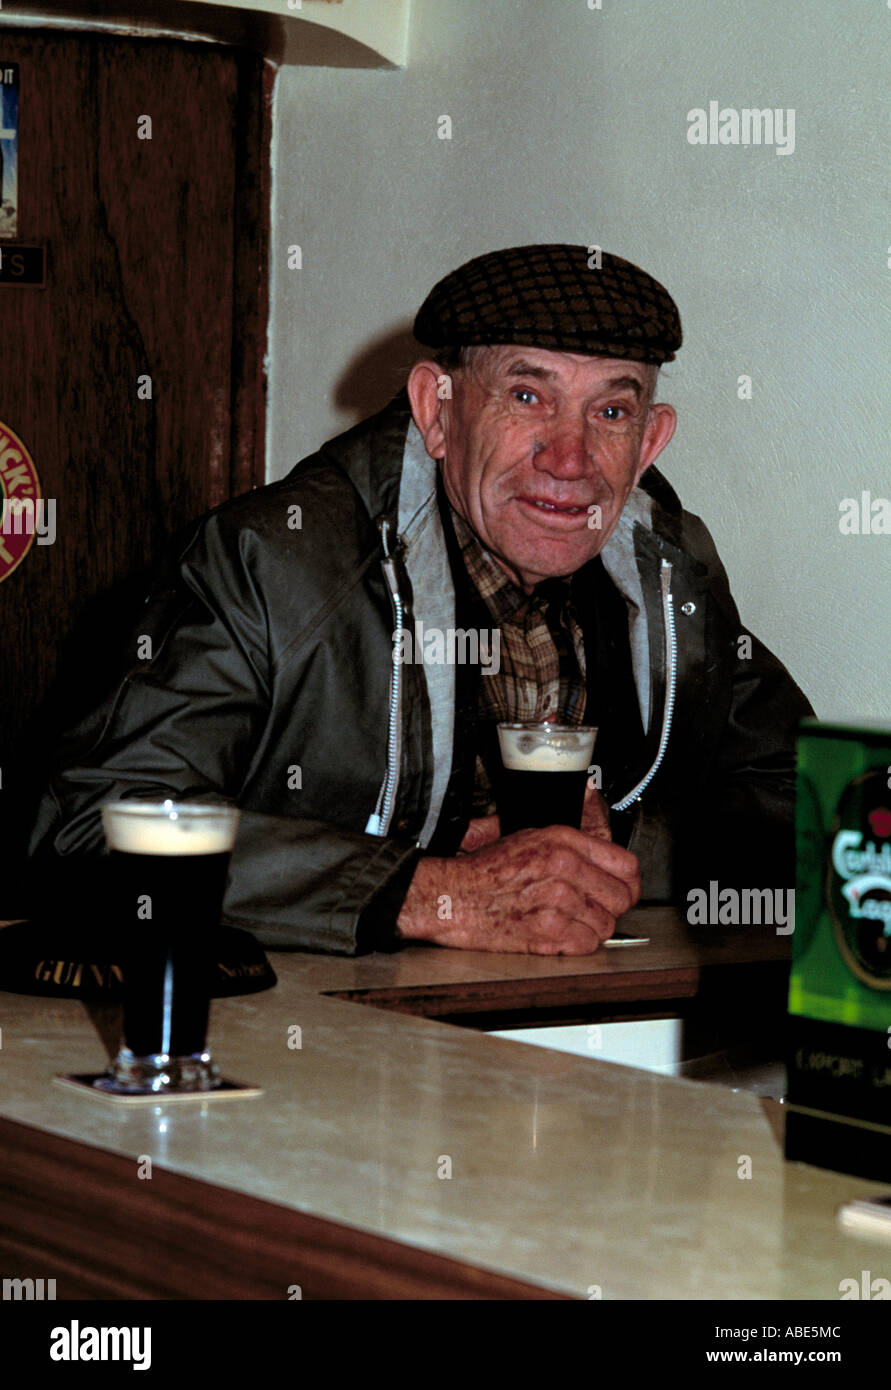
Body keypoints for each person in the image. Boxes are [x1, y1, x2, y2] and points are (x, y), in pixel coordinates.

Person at [27, 244, 812, 955]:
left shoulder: (672, 579)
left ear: (648, 442)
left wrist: (615, 849)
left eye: (610, 412)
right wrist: (430, 892)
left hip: (582, 1028)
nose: (569, 459)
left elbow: (814, 800)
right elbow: (94, 823)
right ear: (436, 411)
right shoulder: (274, 561)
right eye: (527, 398)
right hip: (300, 1048)